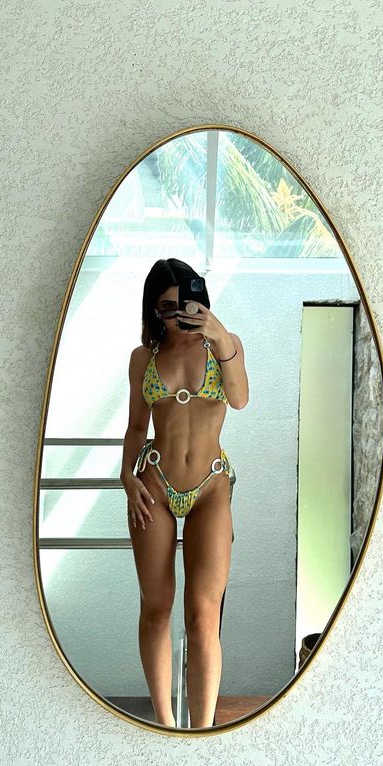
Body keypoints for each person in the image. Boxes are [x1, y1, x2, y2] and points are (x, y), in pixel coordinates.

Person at [120, 258, 248, 728]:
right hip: (154, 482)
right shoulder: (144, 357)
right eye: (166, 307)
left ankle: (202, 728)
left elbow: (240, 399)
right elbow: (137, 427)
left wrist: (218, 334)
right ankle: (165, 724)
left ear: (201, 300)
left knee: (203, 614)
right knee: (156, 607)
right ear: (153, 309)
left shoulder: (225, 346)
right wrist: (126, 476)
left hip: (210, 486)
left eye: (185, 304)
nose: (177, 315)